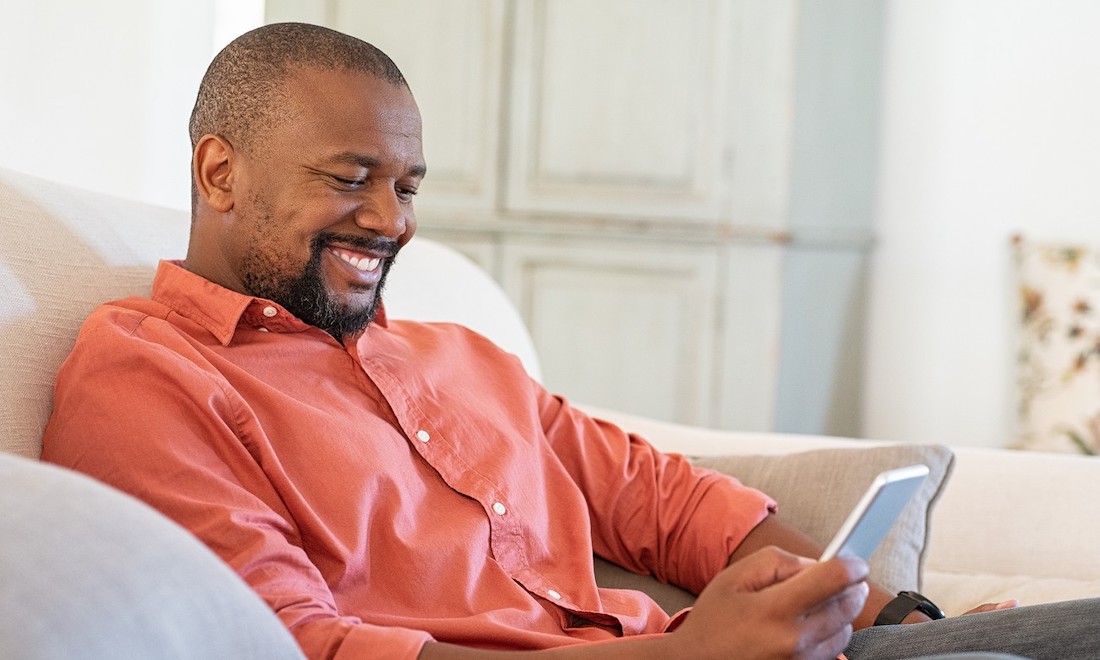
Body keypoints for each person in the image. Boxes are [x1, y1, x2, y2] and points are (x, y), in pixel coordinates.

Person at [41, 22, 1097, 660]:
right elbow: (297, 645)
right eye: (349, 177)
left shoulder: (457, 359)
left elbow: (667, 503)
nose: (391, 221)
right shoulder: (147, 374)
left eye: (407, 186)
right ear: (220, 172)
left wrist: (893, 612)